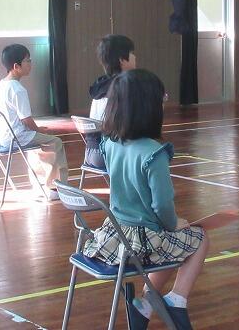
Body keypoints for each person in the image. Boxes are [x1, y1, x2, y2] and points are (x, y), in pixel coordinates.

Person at [82, 69, 209, 330]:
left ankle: (145, 304)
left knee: (171, 244)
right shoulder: (154, 153)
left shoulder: (110, 142)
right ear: (149, 107)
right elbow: (162, 205)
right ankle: (177, 299)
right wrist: (174, 223)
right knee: (199, 239)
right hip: (143, 240)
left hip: (115, 234)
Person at [0, 44, 68, 200]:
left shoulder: (2, 84)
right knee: (55, 142)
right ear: (16, 66)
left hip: (1, 135)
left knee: (38, 143)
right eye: (27, 61)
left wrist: (37, 131)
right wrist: (40, 130)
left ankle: (40, 185)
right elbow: (26, 120)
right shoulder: (18, 89)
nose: (30, 64)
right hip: (15, 136)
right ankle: (56, 188)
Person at [84, 34, 136, 169]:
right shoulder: (124, 86)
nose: (135, 57)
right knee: (151, 151)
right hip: (110, 153)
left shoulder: (100, 84)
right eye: (131, 53)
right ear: (122, 60)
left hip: (91, 152)